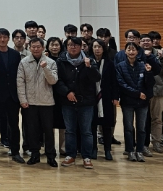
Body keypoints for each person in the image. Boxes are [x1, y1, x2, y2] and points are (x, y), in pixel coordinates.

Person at [55, 37, 100, 169]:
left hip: (86, 102)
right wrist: (67, 92)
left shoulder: (89, 60)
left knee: (86, 131)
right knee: (70, 130)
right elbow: (58, 80)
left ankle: (87, 157)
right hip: (67, 101)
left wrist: (89, 67)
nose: (73, 47)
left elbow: (97, 78)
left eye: (76, 45)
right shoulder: (61, 61)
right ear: (66, 47)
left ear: (81, 47)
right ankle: (70, 155)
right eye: (70, 45)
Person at [17, 37, 58, 167]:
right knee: (32, 131)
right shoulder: (24, 62)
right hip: (30, 103)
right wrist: (23, 100)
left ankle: (51, 156)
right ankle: (34, 154)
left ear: (43, 48)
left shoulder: (51, 62)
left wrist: (45, 68)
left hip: (47, 103)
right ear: (29, 48)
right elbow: (20, 82)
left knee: (48, 131)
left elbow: (53, 81)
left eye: (38, 47)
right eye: (33, 47)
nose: (35, 49)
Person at [0, 28, 24, 164]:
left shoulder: (15, 54)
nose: (2, 39)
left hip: (12, 95)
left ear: (8, 39)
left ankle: (15, 152)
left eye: (4, 37)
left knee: (14, 125)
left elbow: (18, 74)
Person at [116, 42, 158, 161]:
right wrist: (137, 93)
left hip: (142, 102)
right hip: (127, 101)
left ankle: (139, 151)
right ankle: (130, 150)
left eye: (133, 49)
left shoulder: (143, 65)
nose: (131, 52)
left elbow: (150, 84)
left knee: (141, 128)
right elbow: (121, 84)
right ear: (125, 52)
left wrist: (149, 72)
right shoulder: (120, 66)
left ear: (137, 52)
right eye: (129, 49)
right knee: (128, 128)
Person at [140, 34, 163, 154]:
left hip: (158, 91)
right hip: (142, 92)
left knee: (157, 119)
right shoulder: (136, 54)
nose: (146, 42)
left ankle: (157, 142)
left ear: (152, 42)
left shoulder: (159, 54)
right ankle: (143, 144)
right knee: (143, 120)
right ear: (139, 42)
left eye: (148, 40)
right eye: (143, 40)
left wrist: (162, 58)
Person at [90, 39, 118, 161]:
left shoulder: (109, 63)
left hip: (106, 97)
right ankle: (94, 149)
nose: (97, 49)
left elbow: (114, 82)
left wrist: (115, 97)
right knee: (92, 125)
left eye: (99, 47)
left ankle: (107, 150)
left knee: (106, 125)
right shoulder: (88, 62)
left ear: (103, 49)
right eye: (95, 46)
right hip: (91, 98)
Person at [45, 37, 66, 155]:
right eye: (52, 45)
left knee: (63, 123)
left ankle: (63, 149)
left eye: (56, 45)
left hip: (62, 95)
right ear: (48, 46)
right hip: (48, 93)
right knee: (49, 124)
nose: (54, 47)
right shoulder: (44, 60)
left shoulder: (64, 59)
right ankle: (50, 149)